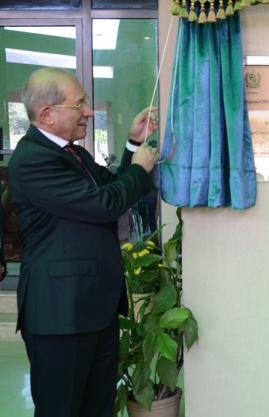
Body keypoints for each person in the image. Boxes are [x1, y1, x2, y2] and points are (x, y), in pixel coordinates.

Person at [8, 67, 159, 417]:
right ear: (47, 114)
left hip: (93, 311)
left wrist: (133, 144)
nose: (89, 111)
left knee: (98, 407)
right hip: (60, 316)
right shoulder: (33, 160)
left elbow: (112, 187)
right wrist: (140, 169)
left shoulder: (74, 153)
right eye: (80, 105)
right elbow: (104, 205)